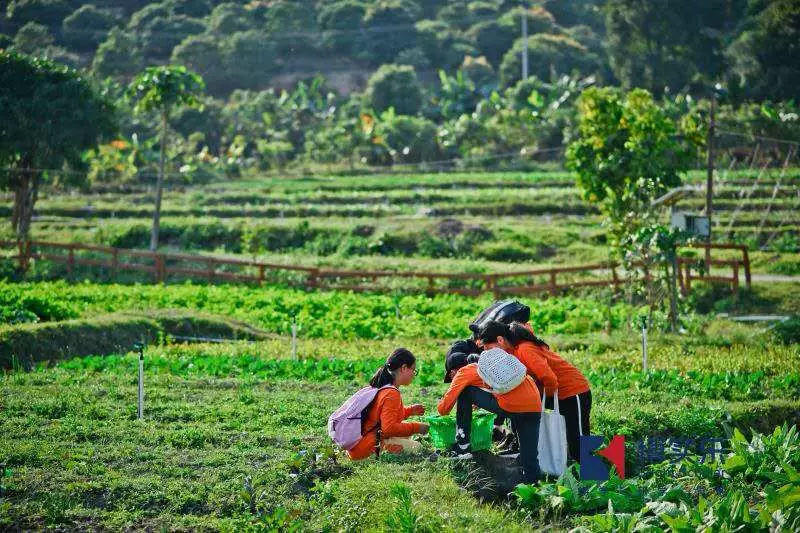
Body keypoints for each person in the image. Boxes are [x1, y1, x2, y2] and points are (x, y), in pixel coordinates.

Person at [479, 320, 592, 463]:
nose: (486, 353)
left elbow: (549, 378)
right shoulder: (511, 353)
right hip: (557, 395)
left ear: (500, 340)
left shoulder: (525, 349)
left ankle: (596, 478)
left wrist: (541, 400)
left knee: (579, 443)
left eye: (487, 348)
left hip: (573, 392)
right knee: (572, 441)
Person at [437, 343, 542, 483]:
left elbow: (442, 410)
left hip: (513, 406)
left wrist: (456, 393)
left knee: (465, 392)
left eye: (451, 377)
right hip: (534, 404)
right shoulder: (497, 368)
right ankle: (532, 489)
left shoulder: (465, 371)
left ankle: (463, 445)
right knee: (529, 459)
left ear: (453, 372)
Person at [347, 348, 429, 460]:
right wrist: (417, 427)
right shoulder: (391, 393)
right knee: (417, 447)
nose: (413, 375)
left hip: (360, 443)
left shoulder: (384, 387)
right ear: (404, 368)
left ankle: (386, 444)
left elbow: (386, 416)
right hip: (367, 447)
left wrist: (410, 411)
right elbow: (389, 429)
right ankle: (383, 449)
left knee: (406, 432)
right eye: (413, 370)